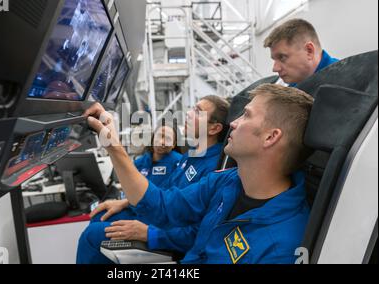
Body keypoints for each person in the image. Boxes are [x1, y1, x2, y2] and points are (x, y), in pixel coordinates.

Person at [82, 83, 314, 263]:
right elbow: (165, 205)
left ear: (271, 137)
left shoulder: (282, 245)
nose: (233, 123)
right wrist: (112, 143)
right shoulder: (227, 181)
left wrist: (151, 234)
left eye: (246, 115)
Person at [77, 96, 230, 264]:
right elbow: (166, 191)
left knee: (91, 236)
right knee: (99, 216)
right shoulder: (191, 155)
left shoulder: (214, 169)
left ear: (214, 128)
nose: (188, 113)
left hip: (168, 233)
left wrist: (149, 233)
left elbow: (201, 231)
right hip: (161, 217)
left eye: (197, 112)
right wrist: (126, 202)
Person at [264, 18, 339, 87]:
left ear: (309, 51)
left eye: (282, 57)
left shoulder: (344, 82)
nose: (275, 68)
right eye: (274, 59)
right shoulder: (295, 84)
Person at [133, 124, 182, 188]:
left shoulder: (180, 163)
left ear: (174, 144)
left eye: (167, 139)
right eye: (159, 136)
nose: (161, 141)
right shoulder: (139, 163)